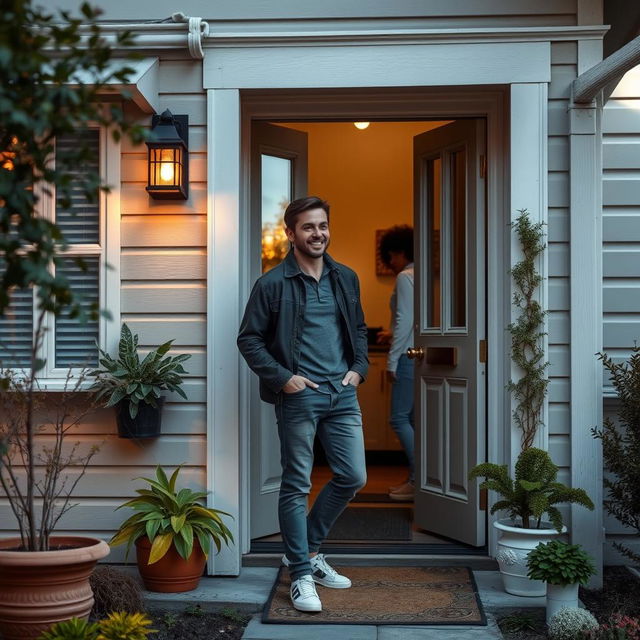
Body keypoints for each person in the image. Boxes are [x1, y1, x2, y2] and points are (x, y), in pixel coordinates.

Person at [237, 196, 369, 613]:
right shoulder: (272, 284)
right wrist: (284, 379)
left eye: (323, 226)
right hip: (300, 396)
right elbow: (249, 340)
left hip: (342, 393)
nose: (318, 234)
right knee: (296, 483)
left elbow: (360, 329)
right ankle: (300, 575)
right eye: (309, 227)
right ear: (290, 234)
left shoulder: (345, 278)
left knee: (353, 476)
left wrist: (359, 368)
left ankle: (306, 553)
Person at [377, 225, 415, 501]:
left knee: (399, 418)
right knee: (411, 420)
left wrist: (391, 361)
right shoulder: (419, 274)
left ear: (398, 252)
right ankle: (417, 479)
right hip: (416, 353)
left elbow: (405, 319)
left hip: (406, 357)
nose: (389, 264)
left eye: (389, 257)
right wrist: (391, 333)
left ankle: (419, 478)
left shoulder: (405, 276)